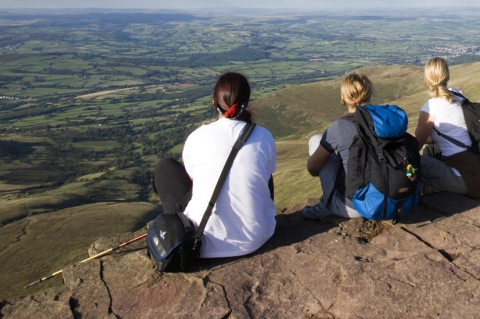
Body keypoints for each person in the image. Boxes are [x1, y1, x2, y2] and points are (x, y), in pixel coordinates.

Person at [152, 71, 276, 258]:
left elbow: (195, 180)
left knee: (164, 167)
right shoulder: (264, 136)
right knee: (262, 171)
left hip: (200, 241)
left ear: (214, 102)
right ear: (247, 102)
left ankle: (177, 235)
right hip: (256, 238)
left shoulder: (197, 137)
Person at [414, 57, 480, 198]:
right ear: (447, 75)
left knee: (412, 162)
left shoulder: (430, 107)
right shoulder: (458, 95)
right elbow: (455, 134)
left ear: (427, 79)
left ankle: (430, 202)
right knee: (431, 149)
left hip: (466, 180)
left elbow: (415, 146)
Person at [302, 71, 372, 220]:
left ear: (343, 98)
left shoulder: (339, 127)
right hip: (387, 197)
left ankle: (328, 202)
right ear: (369, 94)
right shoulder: (385, 121)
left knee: (316, 140)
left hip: (355, 208)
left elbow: (313, 168)